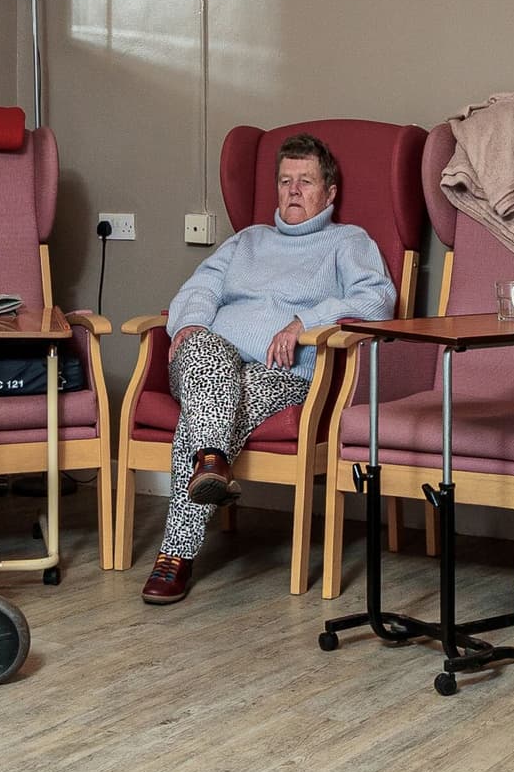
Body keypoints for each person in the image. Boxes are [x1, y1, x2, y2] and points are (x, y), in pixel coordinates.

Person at [138, 133, 396, 604]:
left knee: (210, 408)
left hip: (280, 373)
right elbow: (198, 289)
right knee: (209, 361)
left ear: (329, 193)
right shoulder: (246, 241)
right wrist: (190, 323)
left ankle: (182, 535)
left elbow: (377, 300)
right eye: (285, 181)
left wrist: (305, 322)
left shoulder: (348, 242)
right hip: (207, 357)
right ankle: (209, 465)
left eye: (305, 181)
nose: (293, 190)